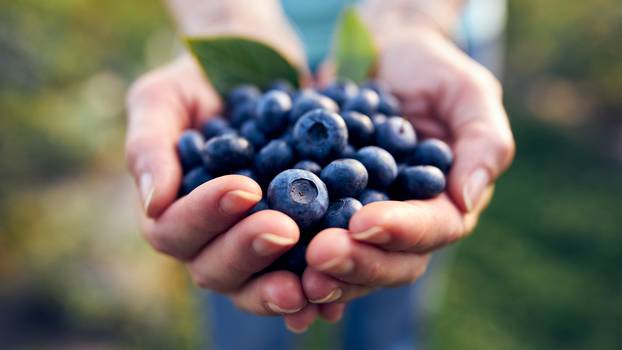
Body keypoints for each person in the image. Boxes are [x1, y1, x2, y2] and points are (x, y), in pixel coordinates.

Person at [124, 0, 515, 348]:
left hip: (430, 31)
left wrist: (409, 15)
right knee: (250, 275)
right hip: (252, 28)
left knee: (389, 267)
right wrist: (222, 15)